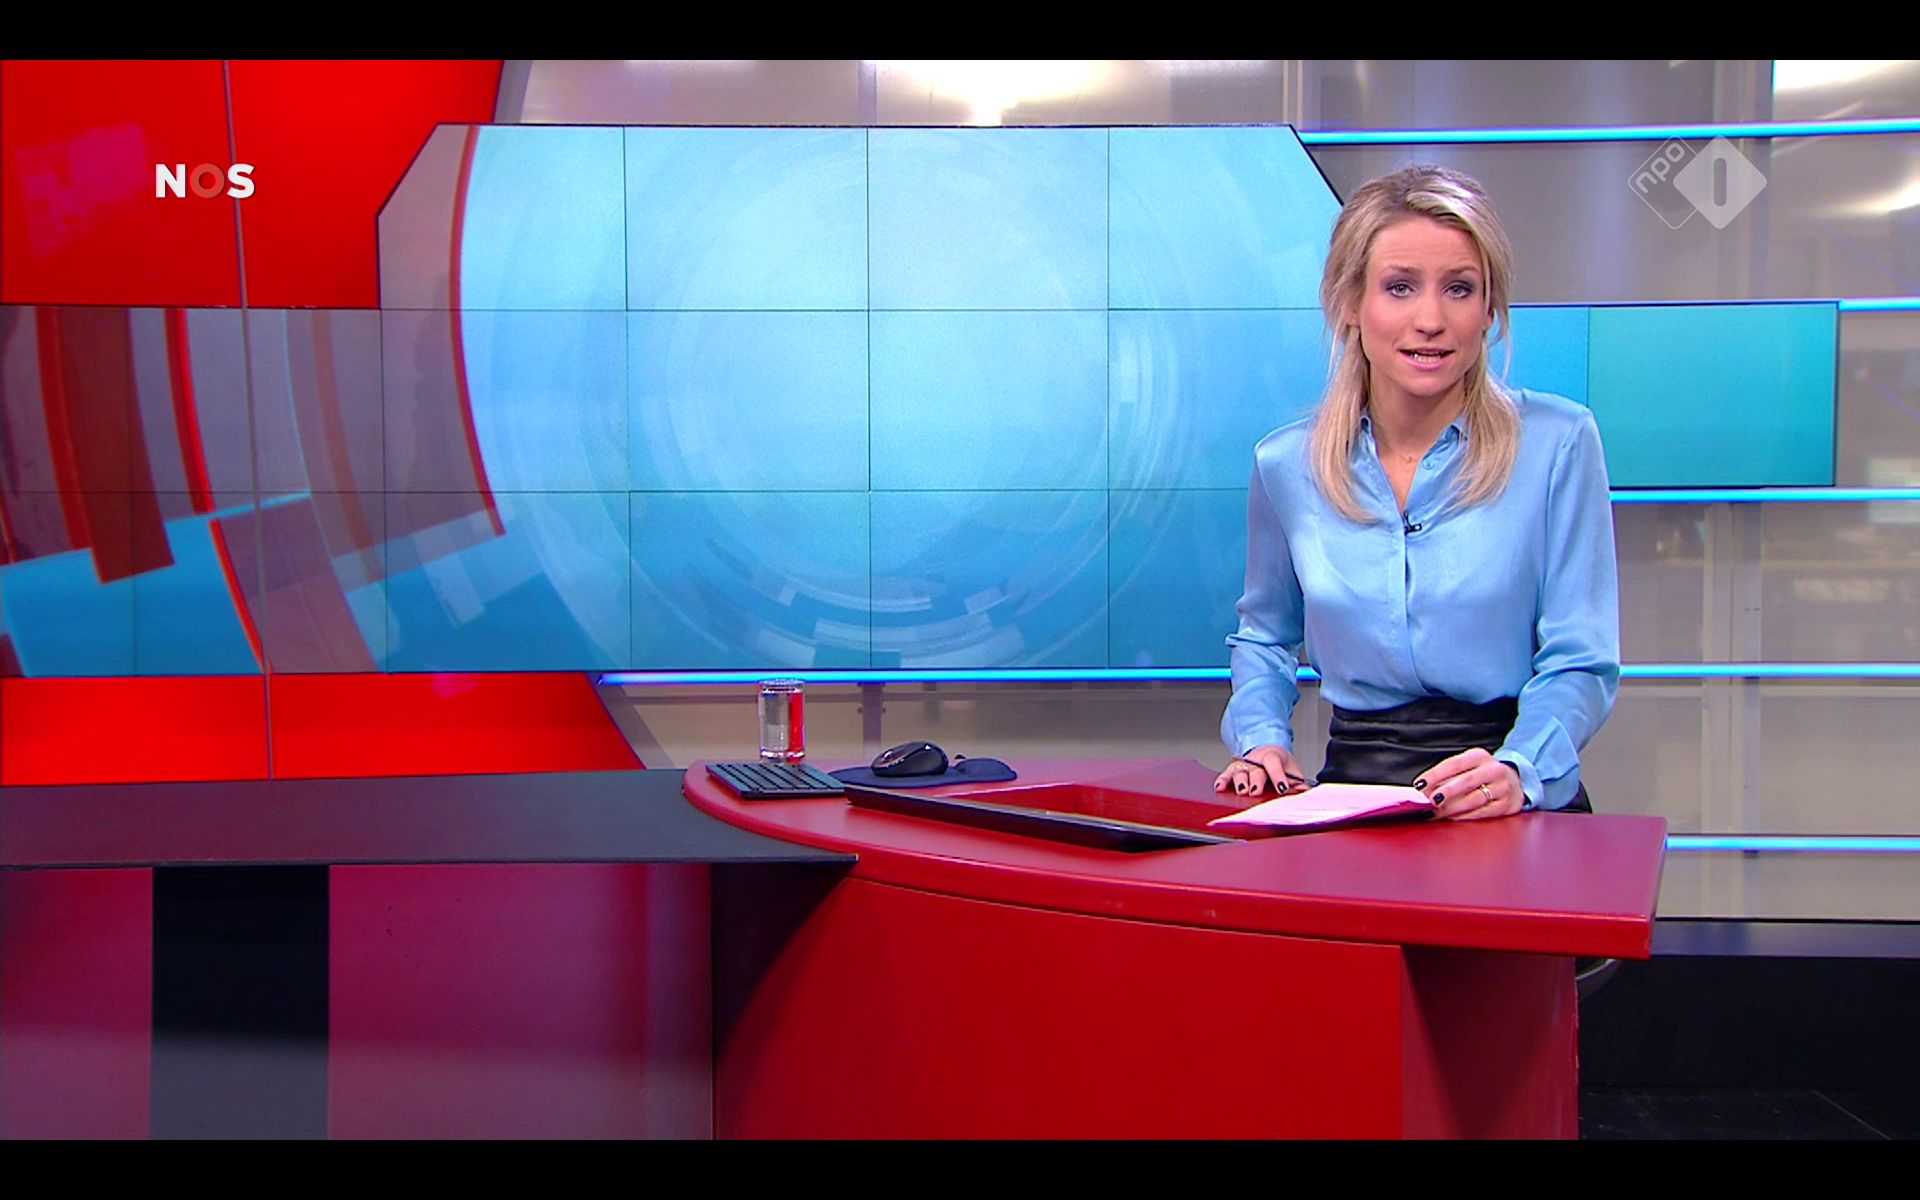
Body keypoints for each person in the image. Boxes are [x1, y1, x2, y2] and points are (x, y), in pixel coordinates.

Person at [1214, 164, 1619, 818]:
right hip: (1356, 798)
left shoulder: (1559, 444)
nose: (1430, 319)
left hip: (1511, 793)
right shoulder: (1286, 465)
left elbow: (1582, 659)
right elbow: (1264, 637)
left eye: (1459, 288)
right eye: (1399, 287)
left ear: (1489, 310)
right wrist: (1262, 740)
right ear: (1350, 303)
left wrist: (1520, 768)